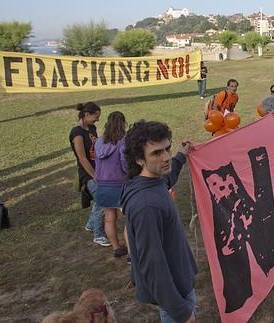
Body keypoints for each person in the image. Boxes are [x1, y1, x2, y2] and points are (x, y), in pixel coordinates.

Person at [121, 120, 197, 323]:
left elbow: (167, 178)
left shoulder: (149, 180)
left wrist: (181, 154)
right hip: (176, 293)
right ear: (139, 159)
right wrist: (181, 312)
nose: (166, 157)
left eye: (167, 149)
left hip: (178, 282)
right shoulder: (147, 206)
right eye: (156, 153)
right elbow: (153, 266)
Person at [69, 102, 110, 247]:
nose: (97, 120)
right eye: (96, 116)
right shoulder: (77, 134)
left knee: (100, 200)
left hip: (98, 169)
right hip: (88, 174)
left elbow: (96, 149)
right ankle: (98, 235)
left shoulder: (91, 128)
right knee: (103, 200)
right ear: (86, 115)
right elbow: (82, 158)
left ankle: (91, 224)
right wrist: (94, 175)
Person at [94, 111, 128, 258]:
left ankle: (116, 248)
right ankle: (131, 253)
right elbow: (125, 163)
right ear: (123, 124)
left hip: (102, 184)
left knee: (109, 217)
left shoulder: (99, 141)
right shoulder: (124, 141)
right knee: (130, 218)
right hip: (120, 184)